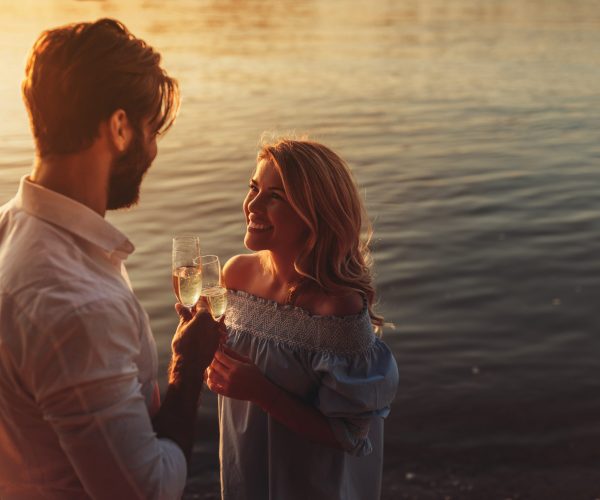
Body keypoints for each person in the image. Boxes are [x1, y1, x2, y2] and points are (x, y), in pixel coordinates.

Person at [0, 19, 221, 499]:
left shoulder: (9, 229)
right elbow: (147, 491)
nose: (153, 149)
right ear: (119, 127)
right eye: (150, 129)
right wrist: (186, 370)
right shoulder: (76, 304)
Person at [206, 138, 399, 500]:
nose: (253, 205)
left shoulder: (337, 307)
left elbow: (350, 434)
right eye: (254, 188)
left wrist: (261, 391)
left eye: (275, 196)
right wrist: (198, 348)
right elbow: (227, 373)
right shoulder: (235, 276)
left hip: (314, 482)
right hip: (245, 466)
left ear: (314, 213)